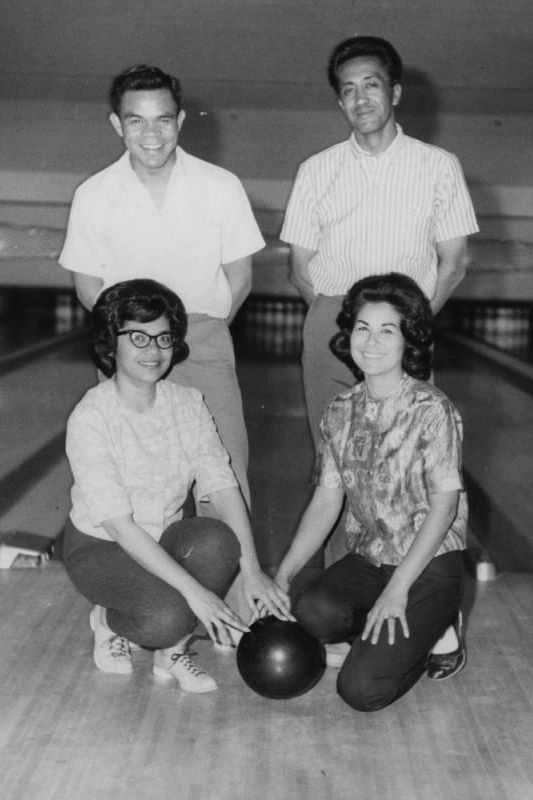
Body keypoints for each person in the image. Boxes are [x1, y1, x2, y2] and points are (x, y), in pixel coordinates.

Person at [62, 279, 290, 693]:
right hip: (100, 546)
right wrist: (196, 594)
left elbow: (222, 486)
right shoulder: (91, 417)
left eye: (163, 337)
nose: (154, 350)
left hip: (163, 538)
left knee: (220, 540)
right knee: (164, 616)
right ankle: (108, 619)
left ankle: (173, 651)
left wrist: (252, 569)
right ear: (112, 343)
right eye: (138, 337)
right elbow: (120, 526)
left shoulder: (187, 403)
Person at [59, 64, 264, 506]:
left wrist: (188, 334)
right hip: (126, 347)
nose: (151, 133)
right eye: (136, 120)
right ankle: (147, 575)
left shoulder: (221, 187)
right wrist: (132, 339)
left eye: (163, 119)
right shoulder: (93, 194)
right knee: (138, 482)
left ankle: (235, 574)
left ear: (181, 121)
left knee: (223, 477)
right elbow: (85, 283)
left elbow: (241, 278)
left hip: (202, 337)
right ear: (117, 124)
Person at [275, 273, 467, 711]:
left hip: (427, 565)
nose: (371, 341)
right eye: (363, 328)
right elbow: (327, 500)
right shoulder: (340, 411)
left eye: (387, 330)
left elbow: (444, 507)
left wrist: (398, 589)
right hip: (370, 559)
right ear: (349, 335)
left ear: (408, 341)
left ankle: (436, 628)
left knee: (361, 690)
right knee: (312, 613)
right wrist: (283, 574)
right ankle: (403, 629)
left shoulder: (432, 409)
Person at [280, 35, 479, 454]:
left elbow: (453, 264)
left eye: (371, 84)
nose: (360, 98)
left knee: (408, 461)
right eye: (348, 90)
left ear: (396, 92)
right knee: (332, 461)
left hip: (407, 322)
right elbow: (300, 270)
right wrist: (346, 325)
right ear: (340, 103)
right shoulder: (315, 170)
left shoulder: (439, 166)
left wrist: (407, 325)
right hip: (332, 322)